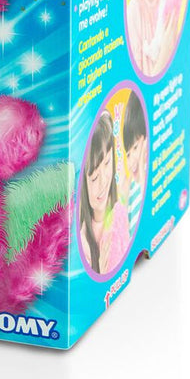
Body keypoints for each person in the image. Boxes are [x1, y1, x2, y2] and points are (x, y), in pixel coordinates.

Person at [79, 112, 130, 276]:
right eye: (94, 177)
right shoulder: (83, 243)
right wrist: (101, 269)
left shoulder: (121, 209)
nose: (103, 182)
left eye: (107, 162)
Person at [121, 93, 147, 219]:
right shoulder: (131, 186)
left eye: (136, 147)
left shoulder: (147, 174)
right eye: (128, 154)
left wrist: (141, 168)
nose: (131, 160)